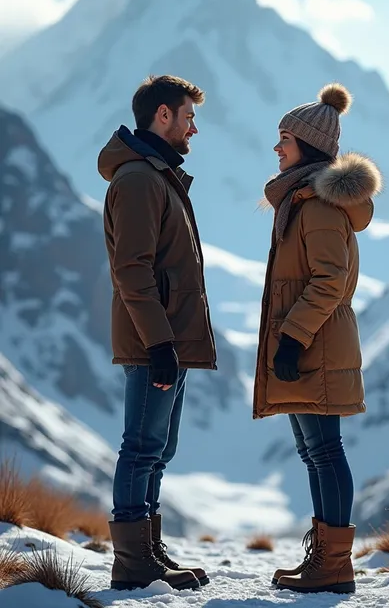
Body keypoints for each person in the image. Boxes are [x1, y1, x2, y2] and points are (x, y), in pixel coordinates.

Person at [254, 84, 382, 594]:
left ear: (307, 146)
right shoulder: (302, 200)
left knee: (325, 452)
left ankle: (333, 566)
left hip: (316, 344)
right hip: (311, 343)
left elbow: (330, 279)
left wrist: (292, 338)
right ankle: (324, 560)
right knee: (315, 453)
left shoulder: (319, 206)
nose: (277, 147)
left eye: (284, 138)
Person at [98, 74, 217, 592]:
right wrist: (160, 343)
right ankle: (133, 563)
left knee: (157, 448)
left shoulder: (158, 175)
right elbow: (132, 270)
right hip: (156, 341)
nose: (194, 128)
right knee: (142, 445)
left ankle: (147, 552)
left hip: (165, 338)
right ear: (162, 115)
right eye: (189, 117)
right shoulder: (140, 181)